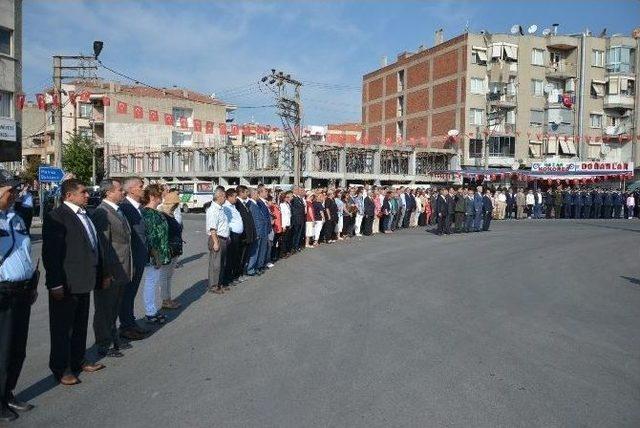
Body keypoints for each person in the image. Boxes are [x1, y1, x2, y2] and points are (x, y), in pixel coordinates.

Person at [42, 178, 105, 386]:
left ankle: (78, 360)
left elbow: (93, 246)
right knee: (62, 328)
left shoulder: (84, 214)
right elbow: (51, 254)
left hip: (84, 280)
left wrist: (101, 273)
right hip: (66, 283)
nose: (87, 195)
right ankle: (62, 368)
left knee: (79, 325)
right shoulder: (57, 217)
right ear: (69, 195)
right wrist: (55, 283)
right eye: (83, 192)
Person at [0, 174, 37, 421]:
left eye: (15, 192)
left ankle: (8, 392)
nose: (13, 195)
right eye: (8, 192)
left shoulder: (15, 218)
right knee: (2, 350)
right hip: (3, 292)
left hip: (22, 290)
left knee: (17, 348)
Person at [90, 179, 132, 359]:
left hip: (121, 268)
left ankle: (113, 339)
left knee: (113, 307)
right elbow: (103, 246)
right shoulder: (102, 213)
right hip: (111, 271)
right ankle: (103, 344)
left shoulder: (117, 210)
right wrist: (105, 272)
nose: (123, 192)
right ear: (108, 192)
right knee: (104, 309)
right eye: (120, 190)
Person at [118, 177, 148, 341]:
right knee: (127, 294)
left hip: (139, 257)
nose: (144, 189)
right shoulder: (125, 208)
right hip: (131, 259)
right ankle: (126, 326)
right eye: (141, 186)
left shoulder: (138, 208)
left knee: (131, 294)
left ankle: (131, 323)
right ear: (131, 190)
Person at [140, 184, 171, 323]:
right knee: (151, 282)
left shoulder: (155, 212)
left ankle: (152, 310)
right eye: (160, 195)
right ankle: (150, 312)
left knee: (153, 281)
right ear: (152, 197)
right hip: (154, 256)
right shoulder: (148, 213)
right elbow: (151, 237)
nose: (162, 198)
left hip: (160, 254)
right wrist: (156, 257)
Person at [158, 190, 182, 308]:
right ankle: (165, 300)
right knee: (164, 276)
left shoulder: (171, 215)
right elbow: (161, 235)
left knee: (169, 276)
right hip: (167, 250)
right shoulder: (162, 215)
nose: (176, 206)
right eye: (175, 204)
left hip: (174, 249)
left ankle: (168, 299)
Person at [206, 188, 230, 294]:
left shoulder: (221, 208)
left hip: (223, 238)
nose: (225, 198)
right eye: (224, 196)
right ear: (219, 197)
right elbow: (212, 228)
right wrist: (215, 242)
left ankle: (220, 284)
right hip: (217, 238)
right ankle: (213, 286)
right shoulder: (213, 210)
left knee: (222, 263)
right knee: (215, 264)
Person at [234, 185, 256, 280]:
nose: (248, 194)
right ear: (241, 193)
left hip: (247, 234)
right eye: (246, 192)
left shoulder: (243, 203)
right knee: (240, 256)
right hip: (242, 235)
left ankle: (242, 273)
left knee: (244, 255)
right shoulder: (237, 203)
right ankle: (238, 275)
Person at [289, 187, 306, 253]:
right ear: (293, 190)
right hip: (296, 219)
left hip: (301, 218)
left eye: (298, 190)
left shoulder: (299, 198)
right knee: (295, 234)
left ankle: (297, 246)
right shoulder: (293, 198)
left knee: (299, 234)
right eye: (297, 190)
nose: (298, 191)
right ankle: (293, 247)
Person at [278, 192, 291, 257]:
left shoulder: (288, 204)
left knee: (287, 238)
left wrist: (289, 223)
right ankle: (282, 253)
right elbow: (282, 216)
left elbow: (289, 215)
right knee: (283, 239)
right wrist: (283, 226)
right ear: (283, 198)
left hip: (288, 223)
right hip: (284, 224)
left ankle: (286, 251)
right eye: (287, 197)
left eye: (288, 197)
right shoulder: (281, 205)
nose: (288, 198)